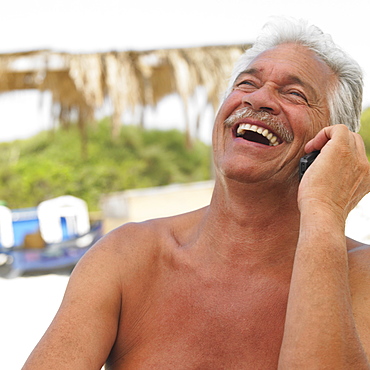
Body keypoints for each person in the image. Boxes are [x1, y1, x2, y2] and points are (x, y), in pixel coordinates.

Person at [23, 17, 370, 369]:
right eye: (246, 84)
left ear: (332, 146)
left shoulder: (361, 276)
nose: (260, 99)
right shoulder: (127, 257)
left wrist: (325, 211)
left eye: (294, 93)